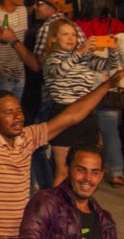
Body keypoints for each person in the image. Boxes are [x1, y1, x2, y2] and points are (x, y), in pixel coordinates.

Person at [0, 54, 124, 239]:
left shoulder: (30, 137)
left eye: (18, 110)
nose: (17, 116)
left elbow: (72, 116)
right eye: (8, 112)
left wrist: (107, 85)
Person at [42, 18, 120, 185]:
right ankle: (56, 210)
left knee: (84, 174)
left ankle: (77, 209)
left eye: (74, 35)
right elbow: (58, 71)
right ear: (54, 38)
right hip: (64, 115)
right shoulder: (51, 59)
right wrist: (79, 52)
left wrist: (113, 49)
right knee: (63, 171)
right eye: (65, 34)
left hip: (86, 116)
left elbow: (108, 65)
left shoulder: (85, 58)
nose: (71, 38)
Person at [16, 144, 122, 239]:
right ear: (67, 170)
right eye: (81, 170)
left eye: (94, 172)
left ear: (101, 176)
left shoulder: (105, 220)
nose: (88, 178)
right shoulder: (47, 202)